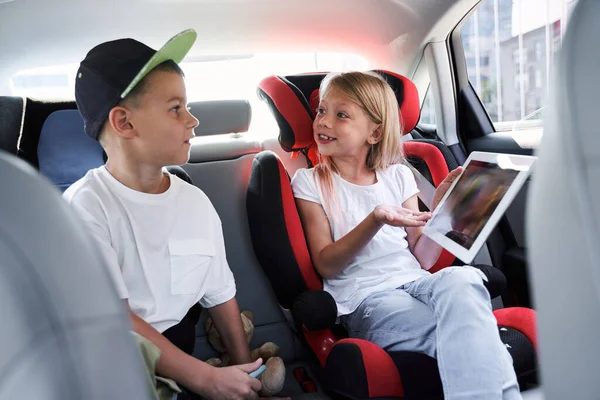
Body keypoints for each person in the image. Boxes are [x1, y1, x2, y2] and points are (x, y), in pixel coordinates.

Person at [291, 71, 521, 400]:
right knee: (462, 336)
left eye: (340, 114)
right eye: (321, 111)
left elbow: (422, 257)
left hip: (416, 280)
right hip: (367, 296)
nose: (323, 122)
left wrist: (443, 213)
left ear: (375, 132)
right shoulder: (310, 182)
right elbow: (327, 265)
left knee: (465, 279)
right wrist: (375, 219)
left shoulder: (398, 175)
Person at [63, 29, 264, 400]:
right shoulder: (86, 208)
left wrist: (244, 374)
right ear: (124, 123)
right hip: (117, 366)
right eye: (176, 108)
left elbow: (220, 293)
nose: (193, 120)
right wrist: (205, 379)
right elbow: (114, 318)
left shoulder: (194, 202)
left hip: (178, 358)